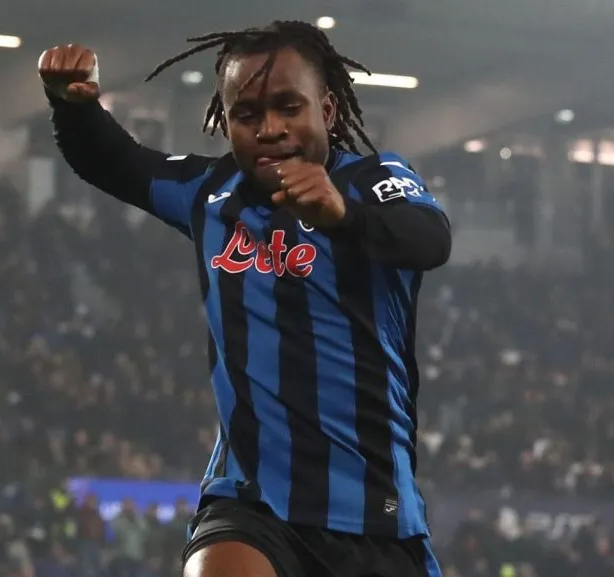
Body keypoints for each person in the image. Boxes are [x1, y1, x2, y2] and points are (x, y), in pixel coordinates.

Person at [39, 20, 451, 577]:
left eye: (288, 107)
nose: (271, 128)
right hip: (251, 500)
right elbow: (117, 161)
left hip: (373, 514)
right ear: (225, 120)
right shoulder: (210, 193)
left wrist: (345, 217)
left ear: (326, 111)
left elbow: (431, 238)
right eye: (248, 115)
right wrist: (74, 108)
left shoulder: (375, 181)